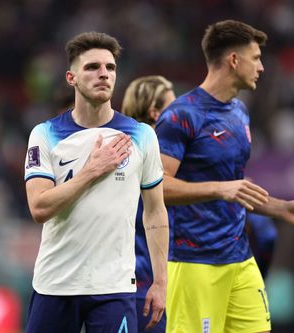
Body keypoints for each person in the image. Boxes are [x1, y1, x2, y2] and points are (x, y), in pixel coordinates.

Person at [154, 20, 294, 333]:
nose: (261, 66)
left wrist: (280, 208)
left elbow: (237, 187)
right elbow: (158, 186)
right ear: (234, 60)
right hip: (194, 262)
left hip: (240, 258)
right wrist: (220, 189)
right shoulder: (181, 115)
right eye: (256, 58)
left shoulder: (239, 114)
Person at [23, 32, 169, 333]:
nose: (103, 74)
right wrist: (92, 169)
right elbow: (39, 207)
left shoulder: (141, 136)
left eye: (110, 67)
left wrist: (160, 282)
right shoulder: (45, 134)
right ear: (71, 77)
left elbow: (155, 212)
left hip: (114, 288)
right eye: (92, 67)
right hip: (56, 284)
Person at [121, 75, 176, 332]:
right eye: (172, 104)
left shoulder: (118, 151)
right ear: (155, 112)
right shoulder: (158, 158)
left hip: (129, 284)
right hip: (148, 284)